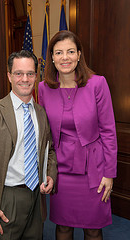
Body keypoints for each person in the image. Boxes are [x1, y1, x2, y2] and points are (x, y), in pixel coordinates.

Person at [38, 30, 117, 240]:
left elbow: (108, 131)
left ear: (79, 54)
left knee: (93, 228)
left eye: (71, 51)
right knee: (63, 226)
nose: (65, 57)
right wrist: (46, 170)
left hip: (94, 169)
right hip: (61, 171)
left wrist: (109, 173)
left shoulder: (97, 84)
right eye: (59, 52)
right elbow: (44, 135)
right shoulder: (43, 88)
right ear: (52, 57)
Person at [0, 50, 57, 240]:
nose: (25, 79)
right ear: (9, 76)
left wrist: (50, 174)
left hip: (36, 198)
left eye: (30, 73)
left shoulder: (41, 113)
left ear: (36, 76)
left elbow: (49, 150)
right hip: (5, 198)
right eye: (18, 73)